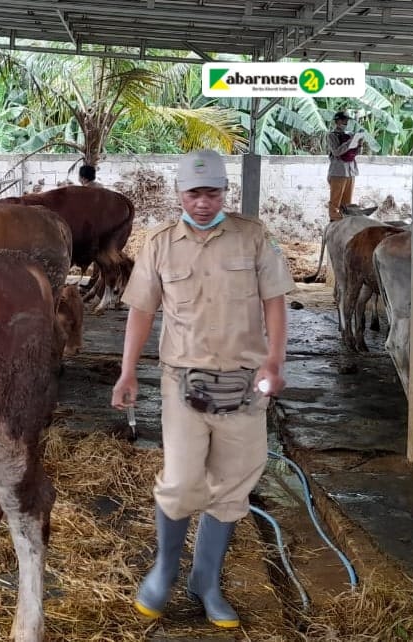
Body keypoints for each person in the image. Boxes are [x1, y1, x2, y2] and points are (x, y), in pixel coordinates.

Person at [110, 149, 295, 629]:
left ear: (224, 193)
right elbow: (142, 311)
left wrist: (274, 361)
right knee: (181, 481)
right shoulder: (161, 245)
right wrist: (127, 372)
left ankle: (206, 581)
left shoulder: (253, 238)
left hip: (244, 384)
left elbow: (275, 301)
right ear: (179, 194)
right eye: (194, 193)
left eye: (212, 192)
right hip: (182, 383)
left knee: (233, 486)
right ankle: (165, 568)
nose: (203, 202)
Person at [327, 111, 361, 221]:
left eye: (346, 120)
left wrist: (358, 144)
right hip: (338, 171)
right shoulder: (331, 135)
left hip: (351, 171)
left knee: (347, 202)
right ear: (337, 121)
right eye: (343, 120)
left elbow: (356, 153)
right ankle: (334, 220)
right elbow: (337, 152)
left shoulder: (350, 134)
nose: (346, 122)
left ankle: (345, 220)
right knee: (335, 202)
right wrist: (350, 143)